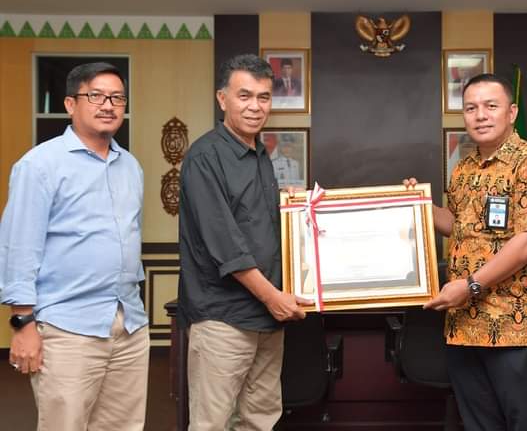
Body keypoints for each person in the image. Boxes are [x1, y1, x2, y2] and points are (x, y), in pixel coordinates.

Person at [407, 73, 527, 430]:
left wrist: (471, 285)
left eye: (491, 106)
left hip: (510, 324)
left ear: (511, 112)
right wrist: (418, 205)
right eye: (471, 108)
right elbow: (458, 225)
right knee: (478, 424)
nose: (480, 116)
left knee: (523, 422)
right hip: (463, 323)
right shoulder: (464, 167)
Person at [0, 62, 148, 430]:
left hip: (128, 324)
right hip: (67, 328)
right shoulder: (39, 165)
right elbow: (18, 248)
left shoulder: (130, 167)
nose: (108, 105)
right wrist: (22, 324)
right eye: (95, 96)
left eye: (117, 98)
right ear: (70, 104)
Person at [177, 54, 312, 431]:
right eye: (245, 95)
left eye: (264, 97)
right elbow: (225, 245)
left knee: (260, 419)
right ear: (222, 99)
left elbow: (263, 228)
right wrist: (274, 298)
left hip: (266, 317)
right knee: (212, 422)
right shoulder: (205, 157)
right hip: (224, 317)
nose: (255, 106)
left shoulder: (260, 154)